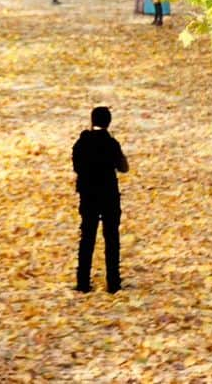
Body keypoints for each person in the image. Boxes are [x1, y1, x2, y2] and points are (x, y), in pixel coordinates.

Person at [72, 105, 129, 293]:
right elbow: (123, 167)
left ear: (92, 121)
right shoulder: (112, 144)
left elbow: (77, 167)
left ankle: (83, 282)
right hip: (109, 195)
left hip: (88, 196)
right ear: (109, 122)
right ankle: (113, 282)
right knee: (111, 238)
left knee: (87, 237)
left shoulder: (81, 144)